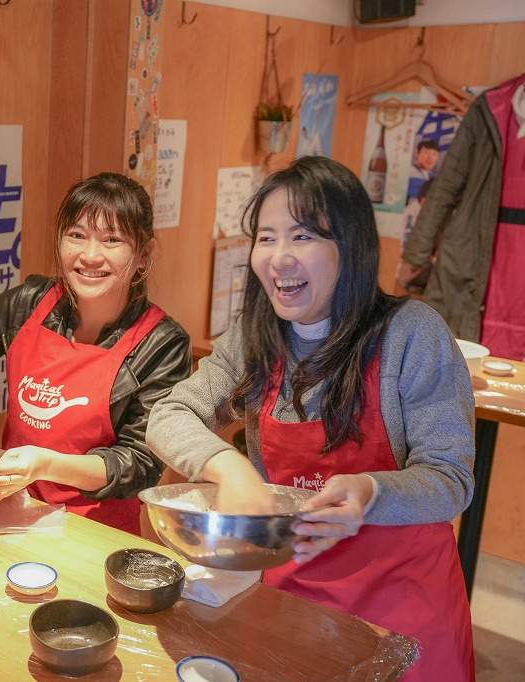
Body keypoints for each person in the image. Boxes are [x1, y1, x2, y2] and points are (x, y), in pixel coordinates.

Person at [147, 156, 474, 681]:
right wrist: (228, 467)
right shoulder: (256, 338)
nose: (278, 258)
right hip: (292, 592)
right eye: (266, 237)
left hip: (401, 606)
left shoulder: (411, 334)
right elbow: (169, 412)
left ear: (351, 247)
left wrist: (371, 492)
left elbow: (450, 478)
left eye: (302, 238)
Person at [0, 172, 190, 535]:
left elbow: (138, 464)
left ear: (142, 254)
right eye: (76, 235)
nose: (90, 256)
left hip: (96, 535)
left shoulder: (162, 343)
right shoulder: (30, 303)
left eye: (112, 240)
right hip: (7, 512)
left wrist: (44, 465)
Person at [399, 72, 525, 360]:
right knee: (463, 358)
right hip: (478, 241)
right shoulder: (493, 107)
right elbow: (447, 184)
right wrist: (417, 254)